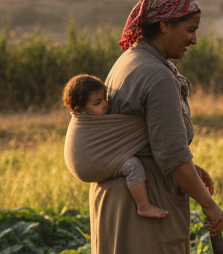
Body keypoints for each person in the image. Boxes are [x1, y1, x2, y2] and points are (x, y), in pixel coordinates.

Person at [89, 0, 223, 254]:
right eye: (190, 30)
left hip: (123, 196)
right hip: (146, 203)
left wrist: (193, 171)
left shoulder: (131, 60)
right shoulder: (158, 75)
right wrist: (209, 206)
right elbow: (172, 158)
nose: (195, 40)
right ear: (164, 26)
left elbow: (150, 140)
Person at [62, 74, 168, 220]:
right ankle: (143, 206)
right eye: (97, 103)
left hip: (84, 165)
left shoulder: (86, 116)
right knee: (132, 166)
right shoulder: (85, 122)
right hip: (89, 165)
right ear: (79, 109)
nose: (106, 104)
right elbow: (125, 131)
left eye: (105, 98)